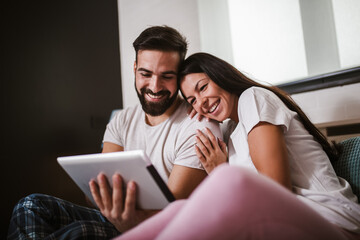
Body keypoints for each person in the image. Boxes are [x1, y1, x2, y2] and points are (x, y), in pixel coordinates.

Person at [113, 52, 360, 239]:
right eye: (192, 100)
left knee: (225, 183)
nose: (202, 103)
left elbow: (276, 189)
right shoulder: (230, 130)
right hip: (287, 222)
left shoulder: (253, 98)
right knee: (179, 208)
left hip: (332, 220)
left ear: (220, 76)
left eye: (203, 87)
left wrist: (221, 171)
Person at [7, 28, 221, 239]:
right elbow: (92, 197)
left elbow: (171, 217)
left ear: (179, 75)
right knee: (30, 206)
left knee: (77, 233)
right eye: (145, 74)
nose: (155, 86)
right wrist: (108, 202)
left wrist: (125, 218)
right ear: (135, 68)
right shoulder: (122, 120)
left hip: (157, 228)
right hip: (111, 217)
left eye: (167, 76)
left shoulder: (197, 126)